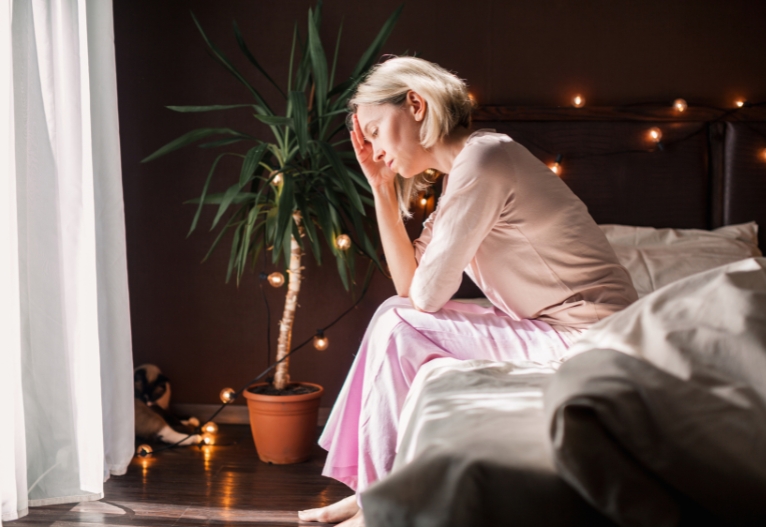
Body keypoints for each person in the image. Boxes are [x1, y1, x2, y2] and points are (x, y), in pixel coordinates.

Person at [298, 56, 638, 527]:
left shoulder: (486, 159)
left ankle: (375, 501)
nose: (373, 150)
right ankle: (368, 493)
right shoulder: (466, 175)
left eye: (375, 130)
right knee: (395, 313)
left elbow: (427, 296)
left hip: (591, 335)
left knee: (400, 322)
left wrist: (414, 293)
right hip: (551, 327)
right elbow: (407, 285)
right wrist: (380, 189)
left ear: (415, 104)